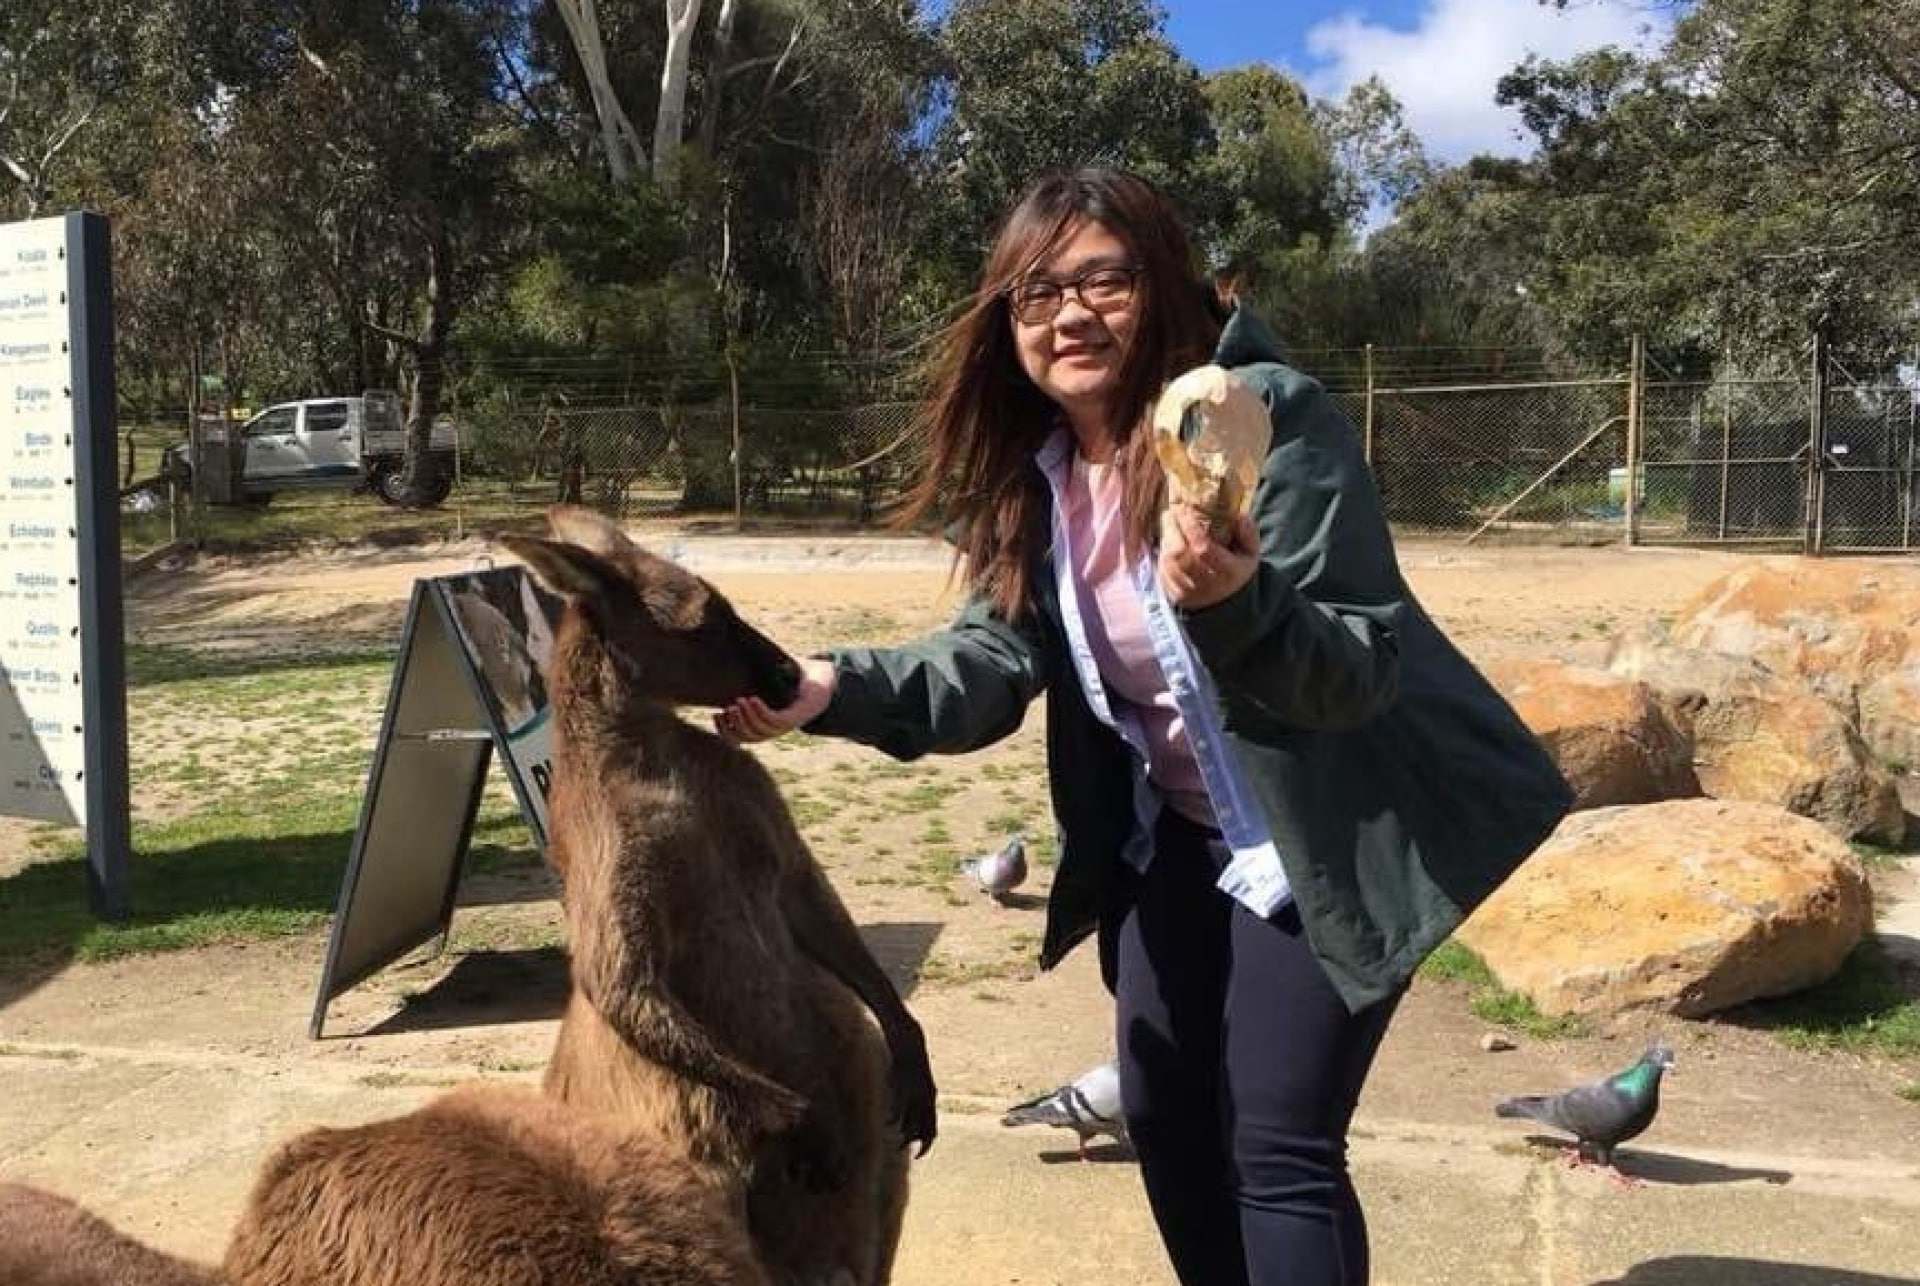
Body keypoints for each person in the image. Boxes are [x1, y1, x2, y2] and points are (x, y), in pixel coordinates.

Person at [717, 166, 1572, 1286]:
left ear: (1161, 284)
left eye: (1101, 280)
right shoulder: (1039, 480)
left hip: (1317, 830)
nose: (1068, 313)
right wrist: (831, 687)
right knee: (1166, 1113)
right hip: (1168, 838)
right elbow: (989, 658)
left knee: (1277, 1140)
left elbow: (1355, 667)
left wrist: (1236, 602)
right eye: (1033, 293)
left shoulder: (1262, 421)